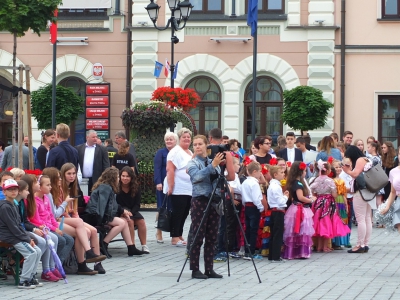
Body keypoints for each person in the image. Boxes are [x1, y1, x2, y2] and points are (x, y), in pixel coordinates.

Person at [45, 165, 106, 274]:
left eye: (74, 173)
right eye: (68, 174)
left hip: (64, 218)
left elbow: (74, 210)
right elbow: (58, 213)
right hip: (58, 220)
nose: (72, 176)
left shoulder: (73, 188)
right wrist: (67, 207)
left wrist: (75, 216)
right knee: (82, 229)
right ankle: (84, 259)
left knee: (93, 230)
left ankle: (96, 262)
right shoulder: (56, 191)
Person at [185, 135, 224, 279]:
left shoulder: (212, 161)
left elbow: (219, 178)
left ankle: (209, 268)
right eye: (195, 144)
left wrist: (217, 166)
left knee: (212, 236)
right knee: (198, 235)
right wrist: (212, 166)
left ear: (206, 145)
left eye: (200, 144)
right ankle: (195, 269)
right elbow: (196, 177)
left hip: (213, 201)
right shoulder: (192, 163)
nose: (197, 147)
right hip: (200, 201)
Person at [85, 167, 145, 256]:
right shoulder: (105, 188)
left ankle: (131, 247)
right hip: (95, 216)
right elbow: (102, 207)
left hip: (100, 214)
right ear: (112, 178)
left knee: (124, 221)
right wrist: (107, 219)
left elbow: (113, 205)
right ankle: (103, 244)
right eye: (117, 177)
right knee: (122, 223)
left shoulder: (107, 187)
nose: (119, 179)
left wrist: (122, 211)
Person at [22, 174, 74, 264]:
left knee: (69, 240)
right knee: (58, 240)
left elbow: (51, 216)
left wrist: (55, 227)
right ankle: (50, 266)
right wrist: (54, 229)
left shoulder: (46, 197)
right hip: (41, 227)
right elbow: (36, 220)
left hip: (48, 226)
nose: (50, 187)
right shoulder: (32, 200)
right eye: (47, 185)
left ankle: (58, 264)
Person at [0, 179, 43, 289]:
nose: (13, 192)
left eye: (15, 189)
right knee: (32, 253)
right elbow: (13, 228)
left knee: (37, 251)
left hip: (16, 235)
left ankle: (31, 277)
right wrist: (27, 239)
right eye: (9, 190)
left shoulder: (13, 205)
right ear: (4, 192)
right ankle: (23, 280)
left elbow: (19, 225)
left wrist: (27, 237)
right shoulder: (5, 207)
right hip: (9, 237)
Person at [310, 160, 350, 252]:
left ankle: (319, 246)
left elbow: (311, 189)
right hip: (328, 203)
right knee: (326, 222)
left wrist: (317, 194)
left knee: (319, 223)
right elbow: (335, 194)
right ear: (328, 170)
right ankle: (325, 247)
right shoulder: (330, 181)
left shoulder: (316, 179)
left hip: (318, 203)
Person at [164, 128, 193, 246]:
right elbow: (170, 169)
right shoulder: (176, 151)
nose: (187, 139)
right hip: (178, 188)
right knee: (178, 212)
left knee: (185, 212)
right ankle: (174, 237)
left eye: (188, 137)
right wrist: (171, 186)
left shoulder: (190, 152)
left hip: (188, 189)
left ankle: (179, 233)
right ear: (179, 139)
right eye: (184, 137)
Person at [282, 161, 315, 259]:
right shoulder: (298, 184)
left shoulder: (292, 182)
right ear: (300, 172)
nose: (305, 173)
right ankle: (300, 252)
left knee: (294, 230)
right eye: (305, 171)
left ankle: (293, 251)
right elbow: (300, 197)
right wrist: (311, 200)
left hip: (295, 207)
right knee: (302, 229)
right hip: (300, 208)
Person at [341, 145, 371, 253]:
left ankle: (360, 245)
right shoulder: (367, 159)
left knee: (360, 219)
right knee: (367, 217)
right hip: (369, 190)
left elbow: (355, 174)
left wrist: (347, 170)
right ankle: (366, 243)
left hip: (360, 192)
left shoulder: (359, 160)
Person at [117, 166, 149, 254]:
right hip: (120, 211)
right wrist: (123, 212)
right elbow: (116, 204)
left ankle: (144, 245)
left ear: (131, 177)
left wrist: (131, 212)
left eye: (127, 176)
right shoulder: (116, 187)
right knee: (130, 221)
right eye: (123, 176)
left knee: (141, 221)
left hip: (132, 210)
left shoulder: (136, 187)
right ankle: (132, 246)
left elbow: (137, 204)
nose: (125, 178)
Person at [153, 132, 178, 243]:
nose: (168, 141)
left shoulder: (178, 152)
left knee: (174, 209)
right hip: (162, 185)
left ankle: (175, 234)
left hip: (176, 184)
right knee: (162, 208)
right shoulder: (161, 152)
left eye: (171, 139)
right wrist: (158, 182)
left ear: (176, 141)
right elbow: (157, 168)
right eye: (167, 139)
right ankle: (159, 231)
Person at [241, 161, 265, 260]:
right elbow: (256, 198)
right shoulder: (254, 184)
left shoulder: (245, 182)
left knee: (248, 229)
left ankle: (247, 251)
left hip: (247, 206)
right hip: (254, 207)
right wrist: (261, 207)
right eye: (260, 171)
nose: (260, 174)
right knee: (253, 230)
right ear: (254, 172)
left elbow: (243, 197)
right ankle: (251, 252)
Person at [76, 130, 110, 194]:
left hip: (97, 180)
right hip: (82, 180)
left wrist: (104, 179)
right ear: (87, 137)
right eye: (93, 137)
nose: (95, 139)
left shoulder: (102, 149)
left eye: (96, 137)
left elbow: (106, 165)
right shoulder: (79, 148)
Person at [267, 165, 289, 262]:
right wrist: (285, 197)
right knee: (277, 234)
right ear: (275, 175)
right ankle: (275, 256)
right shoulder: (276, 186)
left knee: (274, 233)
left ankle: (272, 255)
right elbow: (280, 201)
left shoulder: (273, 185)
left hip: (275, 211)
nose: (283, 174)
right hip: (278, 211)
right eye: (281, 173)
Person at [330, 160, 350, 249]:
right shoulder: (331, 180)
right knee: (335, 220)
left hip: (341, 200)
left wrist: (346, 203)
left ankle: (341, 241)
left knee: (342, 219)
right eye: (336, 167)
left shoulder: (342, 180)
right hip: (335, 200)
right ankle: (334, 242)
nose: (338, 169)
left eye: (339, 167)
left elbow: (344, 193)